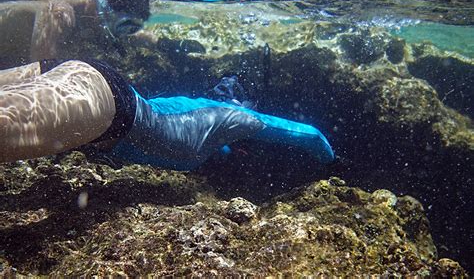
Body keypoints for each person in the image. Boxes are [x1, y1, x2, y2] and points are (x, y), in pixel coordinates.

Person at [0, 59, 335, 170]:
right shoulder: (235, 117)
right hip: (103, 101)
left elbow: (210, 150)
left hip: (86, 83)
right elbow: (309, 135)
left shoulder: (195, 111)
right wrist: (330, 161)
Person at [0, 0, 148, 68]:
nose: (117, 37)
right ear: (104, 10)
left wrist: (155, 41)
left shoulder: (87, 20)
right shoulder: (61, 13)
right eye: (122, 26)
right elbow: (41, 73)